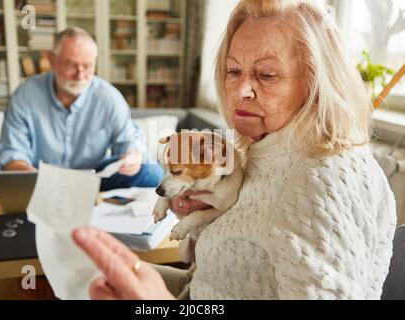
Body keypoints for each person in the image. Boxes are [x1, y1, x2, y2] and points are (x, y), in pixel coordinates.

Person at [72, 0, 397, 299]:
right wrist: (131, 273)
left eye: (266, 74)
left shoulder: (322, 181)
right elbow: (210, 289)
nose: (240, 89)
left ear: (316, 84)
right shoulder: (258, 152)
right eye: (233, 70)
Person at [0, 27, 163, 209]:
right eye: (71, 65)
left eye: (88, 66)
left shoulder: (108, 96)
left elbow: (130, 137)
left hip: (93, 177)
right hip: (40, 178)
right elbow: (13, 152)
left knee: (152, 172)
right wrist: (33, 177)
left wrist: (133, 155)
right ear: (52, 60)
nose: (80, 74)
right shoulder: (26, 95)